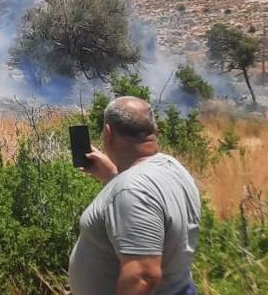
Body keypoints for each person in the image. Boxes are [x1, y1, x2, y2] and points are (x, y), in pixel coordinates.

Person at [69, 96, 201, 295]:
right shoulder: (172, 167)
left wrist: (123, 184)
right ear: (155, 131)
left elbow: (143, 277)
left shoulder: (132, 190)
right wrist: (114, 176)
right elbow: (153, 203)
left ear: (108, 133)